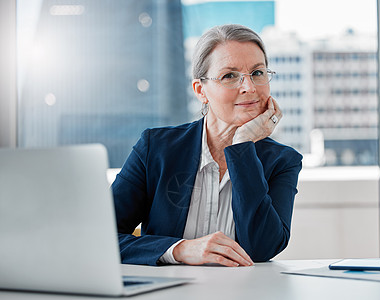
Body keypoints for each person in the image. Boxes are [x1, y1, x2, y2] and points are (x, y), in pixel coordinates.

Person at [112, 24, 303, 267]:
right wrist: (178, 250)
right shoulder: (156, 148)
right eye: (230, 76)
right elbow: (100, 237)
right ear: (201, 91)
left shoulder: (283, 161)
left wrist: (242, 147)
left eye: (257, 73)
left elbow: (263, 248)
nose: (250, 88)